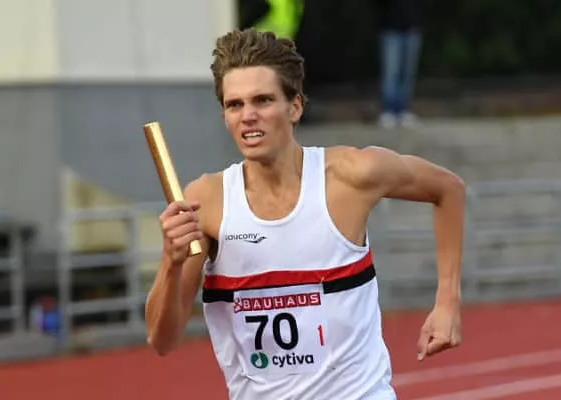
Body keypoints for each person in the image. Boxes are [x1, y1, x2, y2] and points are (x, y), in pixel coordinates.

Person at [145, 28, 464, 400]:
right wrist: (171, 262)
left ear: (294, 106)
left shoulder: (350, 176)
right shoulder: (207, 201)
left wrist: (447, 302)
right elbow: (162, 340)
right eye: (235, 105)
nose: (248, 116)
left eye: (263, 100)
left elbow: (448, 189)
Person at [376, 0, 427, 129]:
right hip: (390, 30)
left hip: (412, 29)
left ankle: (404, 111)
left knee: (408, 74)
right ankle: (388, 111)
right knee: (391, 72)